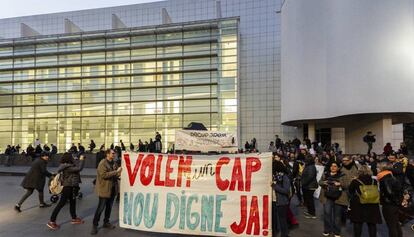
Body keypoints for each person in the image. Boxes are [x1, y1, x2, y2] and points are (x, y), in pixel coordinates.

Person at [47, 153, 85, 230]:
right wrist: (82, 160)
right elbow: (79, 168)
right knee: (61, 203)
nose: (73, 158)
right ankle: (51, 221)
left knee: (73, 202)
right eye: (72, 157)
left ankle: (74, 218)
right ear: (68, 158)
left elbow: (76, 166)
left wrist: (77, 160)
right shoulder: (67, 167)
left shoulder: (69, 165)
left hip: (73, 186)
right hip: (68, 187)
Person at [91, 149, 122, 235]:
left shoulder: (114, 163)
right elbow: (103, 175)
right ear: (107, 154)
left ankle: (106, 222)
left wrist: (119, 173)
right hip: (104, 189)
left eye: (114, 153)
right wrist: (116, 172)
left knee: (109, 207)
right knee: (100, 208)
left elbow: (116, 174)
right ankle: (95, 225)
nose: (114, 154)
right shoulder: (102, 163)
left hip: (112, 189)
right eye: (112, 153)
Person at [348, 165, 382, 237]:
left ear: (359, 171)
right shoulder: (374, 181)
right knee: (372, 224)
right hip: (372, 203)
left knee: (358, 223)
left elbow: (350, 191)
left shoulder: (355, 181)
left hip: (359, 204)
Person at [319, 162, 348, 237]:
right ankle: (327, 230)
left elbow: (346, 185)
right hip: (327, 197)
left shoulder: (342, 175)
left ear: (338, 168)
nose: (333, 167)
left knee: (337, 216)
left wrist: (340, 184)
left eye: (335, 166)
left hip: (339, 198)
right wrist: (323, 182)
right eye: (331, 166)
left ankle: (337, 231)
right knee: (327, 214)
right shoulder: (325, 174)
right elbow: (319, 182)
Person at [377, 162, 403, 237]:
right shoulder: (391, 176)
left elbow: (390, 193)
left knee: (391, 226)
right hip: (394, 204)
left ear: (381, 169)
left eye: (378, 168)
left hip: (389, 205)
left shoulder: (384, 179)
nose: (376, 169)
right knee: (396, 224)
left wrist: (394, 202)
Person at [272, 160, 291, 237]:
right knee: (274, 220)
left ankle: (284, 235)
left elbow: (286, 190)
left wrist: (274, 186)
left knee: (282, 220)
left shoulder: (284, 177)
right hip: (274, 201)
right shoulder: (275, 176)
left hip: (282, 202)